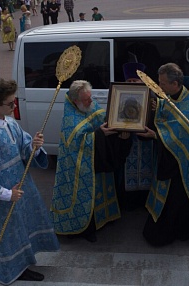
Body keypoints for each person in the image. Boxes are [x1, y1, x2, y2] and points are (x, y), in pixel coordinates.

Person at [0, 78, 60, 285]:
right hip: (1, 201)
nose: (14, 105)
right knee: (8, 237)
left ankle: (24, 265)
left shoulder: (10, 123)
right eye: (10, 103)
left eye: (14, 101)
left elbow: (25, 150)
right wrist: (7, 194)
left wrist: (34, 146)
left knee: (22, 229)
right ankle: (12, 273)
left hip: (21, 190)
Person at [50, 80, 132, 243]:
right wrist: (100, 134)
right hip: (79, 169)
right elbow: (76, 142)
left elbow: (105, 118)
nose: (91, 102)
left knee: (101, 188)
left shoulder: (89, 105)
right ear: (76, 101)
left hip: (97, 160)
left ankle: (105, 218)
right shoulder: (70, 119)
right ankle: (85, 228)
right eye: (86, 100)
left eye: (90, 98)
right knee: (86, 196)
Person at [138, 63, 189, 248]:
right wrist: (157, 108)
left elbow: (183, 133)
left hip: (183, 162)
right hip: (169, 157)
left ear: (175, 83)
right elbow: (166, 114)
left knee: (179, 199)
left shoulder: (188, 106)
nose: (159, 87)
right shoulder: (170, 96)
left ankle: (178, 232)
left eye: (162, 83)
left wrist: (155, 135)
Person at [114, 62, 154, 211]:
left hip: (146, 141)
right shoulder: (120, 95)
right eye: (129, 81)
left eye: (134, 81)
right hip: (128, 140)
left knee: (147, 170)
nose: (131, 83)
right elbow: (114, 116)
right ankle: (127, 202)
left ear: (141, 81)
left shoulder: (152, 95)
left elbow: (159, 119)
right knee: (126, 170)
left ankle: (143, 201)